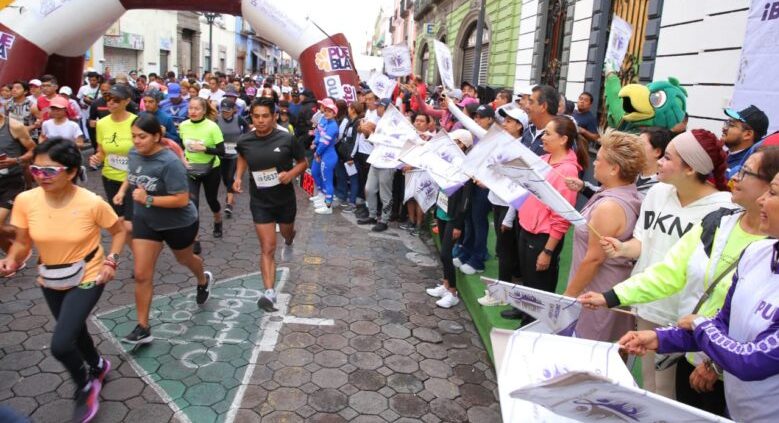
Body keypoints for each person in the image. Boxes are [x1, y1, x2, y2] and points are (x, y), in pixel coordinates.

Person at [581, 147, 778, 415]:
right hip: (713, 374)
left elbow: (752, 360)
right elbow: (721, 317)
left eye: (773, 192)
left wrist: (712, 359)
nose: (734, 177)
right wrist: (658, 337)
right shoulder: (751, 248)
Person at [598, 129, 733, 399]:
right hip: (647, 303)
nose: (659, 161)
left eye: (668, 158)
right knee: (651, 385)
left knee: (674, 392)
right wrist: (622, 249)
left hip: (686, 316)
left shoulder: (724, 207)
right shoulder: (657, 192)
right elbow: (642, 242)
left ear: (690, 168)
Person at [0, 138, 126, 422]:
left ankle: (85, 386)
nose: (41, 177)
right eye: (36, 170)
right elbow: (22, 242)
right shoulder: (26, 200)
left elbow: (119, 232)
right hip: (50, 276)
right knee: (74, 330)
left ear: (71, 172)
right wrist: (12, 259)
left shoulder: (91, 202)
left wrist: (111, 261)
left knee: (60, 344)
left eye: (49, 171)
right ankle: (98, 365)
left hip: (89, 273)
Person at [114, 114, 213, 345]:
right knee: (141, 274)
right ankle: (143, 327)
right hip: (146, 221)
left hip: (177, 222)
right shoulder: (133, 153)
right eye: (134, 136)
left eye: (142, 136)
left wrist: (147, 199)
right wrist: (122, 191)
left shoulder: (170, 162)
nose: (136, 141)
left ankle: (203, 280)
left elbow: (181, 199)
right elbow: (132, 175)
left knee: (185, 259)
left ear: (157, 136)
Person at [501, 116, 587, 321]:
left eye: (548, 134)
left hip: (543, 237)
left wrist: (548, 251)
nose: (543, 137)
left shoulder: (567, 171)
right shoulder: (545, 160)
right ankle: (523, 309)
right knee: (527, 276)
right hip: (526, 227)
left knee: (539, 285)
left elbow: (562, 216)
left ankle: (531, 322)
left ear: (563, 139)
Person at [563, 131, 645, 342]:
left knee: (589, 348)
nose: (595, 163)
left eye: (599, 159)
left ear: (614, 168)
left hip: (596, 292)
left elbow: (594, 259)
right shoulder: (626, 193)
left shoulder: (609, 206)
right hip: (606, 288)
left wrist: (567, 298)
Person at [234, 99, 307, 311]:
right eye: (256, 116)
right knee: (267, 247)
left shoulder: (287, 138)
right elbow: (242, 156)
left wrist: (290, 174)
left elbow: (303, 163)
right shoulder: (245, 140)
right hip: (260, 201)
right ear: (251, 117)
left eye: (265, 116)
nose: (260, 120)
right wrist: (238, 177)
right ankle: (269, 292)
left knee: (286, 232)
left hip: (284, 199)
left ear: (274, 116)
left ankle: (290, 241)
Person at [426, 129, 474, 308]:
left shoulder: (466, 167)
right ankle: (446, 284)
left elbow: (466, 200)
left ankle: (453, 292)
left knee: (447, 253)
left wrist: (459, 224)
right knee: (443, 252)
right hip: (442, 210)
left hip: (454, 216)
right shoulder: (446, 162)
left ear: (463, 145)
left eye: (455, 141)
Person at [89, 85, 137, 245]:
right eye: (108, 99)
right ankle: (139, 255)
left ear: (127, 101)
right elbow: (102, 151)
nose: (111, 103)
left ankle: (145, 250)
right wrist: (96, 158)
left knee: (129, 225)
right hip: (110, 177)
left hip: (133, 178)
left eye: (116, 100)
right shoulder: (102, 123)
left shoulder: (136, 121)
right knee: (120, 222)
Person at [179, 96, 225, 249]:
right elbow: (181, 146)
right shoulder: (183, 125)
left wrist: (205, 149)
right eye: (190, 108)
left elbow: (222, 151)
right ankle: (195, 238)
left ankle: (218, 219)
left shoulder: (212, 127)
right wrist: (182, 158)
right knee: (193, 204)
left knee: (212, 200)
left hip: (211, 169)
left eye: (197, 109)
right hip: (191, 169)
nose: (193, 111)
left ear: (204, 111)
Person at [0, 110, 35, 255]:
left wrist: (15, 160)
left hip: (12, 182)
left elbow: (33, 150)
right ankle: (13, 257)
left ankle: (35, 234)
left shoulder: (14, 126)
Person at [216, 97, 249, 218]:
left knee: (230, 177)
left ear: (234, 110)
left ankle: (229, 203)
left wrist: (243, 139)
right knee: (225, 178)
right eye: (223, 111)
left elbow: (247, 128)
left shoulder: (238, 118)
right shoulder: (217, 119)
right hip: (222, 153)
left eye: (228, 111)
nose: (225, 113)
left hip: (235, 153)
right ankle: (229, 192)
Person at [722, 105, 769, 180]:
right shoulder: (723, 154)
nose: (724, 128)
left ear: (748, 135)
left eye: (731, 125)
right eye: (726, 123)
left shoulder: (747, 167)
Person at [310, 98, 340, 214]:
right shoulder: (327, 121)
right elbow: (319, 135)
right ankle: (324, 200)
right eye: (326, 110)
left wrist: (317, 152)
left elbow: (325, 143)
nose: (326, 113)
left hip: (328, 156)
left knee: (327, 181)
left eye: (329, 111)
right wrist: (317, 148)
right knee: (320, 176)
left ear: (334, 113)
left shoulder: (333, 126)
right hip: (324, 154)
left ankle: (328, 207)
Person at [522, 85, 559, 156]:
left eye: (531, 102)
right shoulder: (528, 130)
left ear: (543, 106)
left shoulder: (559, 136)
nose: (526, 106)